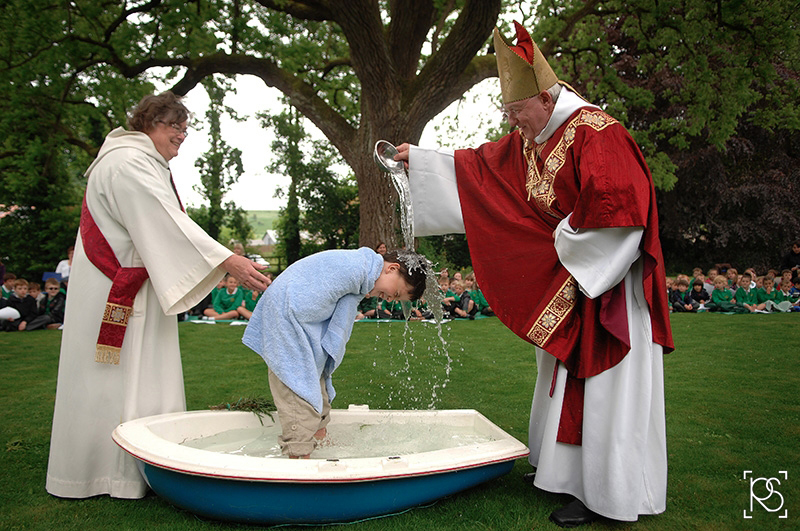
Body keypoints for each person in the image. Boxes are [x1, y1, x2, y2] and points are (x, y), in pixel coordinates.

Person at [393, 22, 673, 526]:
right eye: (510, 115)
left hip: (605, 284)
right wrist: (420, 161)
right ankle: (562, 473)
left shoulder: (600, 134)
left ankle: (607, 496)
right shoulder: (536, 136)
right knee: (559, 379)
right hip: (572, 277)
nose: (515, 125)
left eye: (519, 113)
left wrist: (561, 252)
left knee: (605, 388)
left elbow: (620, 213)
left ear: (546, 99)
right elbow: (480, 171)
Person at [46, 91, 269, 500]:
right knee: (115, 377)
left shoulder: (135, 161)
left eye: (185, 128)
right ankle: (111, 471)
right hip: (117, 291)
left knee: (124, 375)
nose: (182, 135)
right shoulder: (128, 163)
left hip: (129, 286)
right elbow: (165, 222)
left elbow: (166, 224)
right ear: (149, 122)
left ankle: (127, 466)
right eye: (175, 126)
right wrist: (228, 262)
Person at [242, 248, 427, 458]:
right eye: (395, 294)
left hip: (293, 319)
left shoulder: (361, 270)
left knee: (316, 391)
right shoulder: (356, 268)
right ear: (392, 268)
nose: (390, 300)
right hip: (287, 323)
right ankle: (299, 461)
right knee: (299, 394)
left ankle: (321, 444)